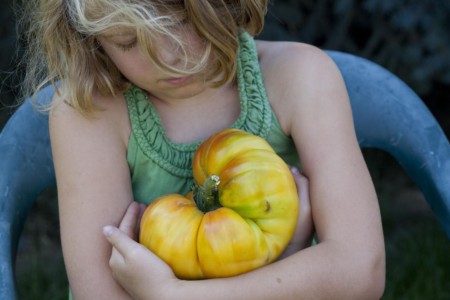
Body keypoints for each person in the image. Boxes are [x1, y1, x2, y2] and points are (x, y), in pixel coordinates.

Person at [22, 0, 385, 299]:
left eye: (183, 22)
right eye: (128, 40)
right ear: (89, 39)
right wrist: (287, 257)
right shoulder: (89, 112)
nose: (167, 56)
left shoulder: (299, 78)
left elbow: (360, 271)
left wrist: (172, 295)